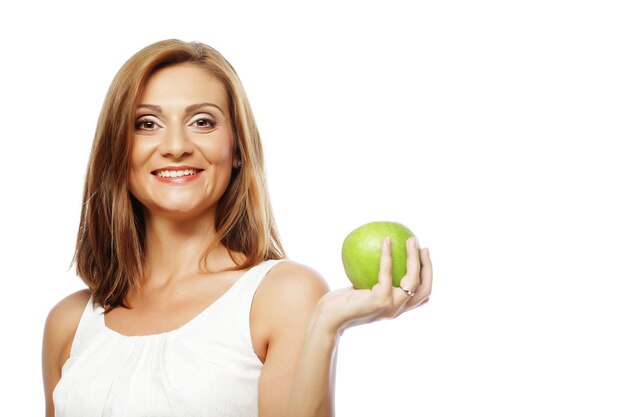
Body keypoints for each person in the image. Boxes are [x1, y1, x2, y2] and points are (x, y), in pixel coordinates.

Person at [41, 39, 433, 417]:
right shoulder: (70, 323)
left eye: (202, 121)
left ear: (237, 150)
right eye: (147, 123)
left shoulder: (283, 296)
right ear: (117, 151)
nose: (176, 145)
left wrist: (325, 326)